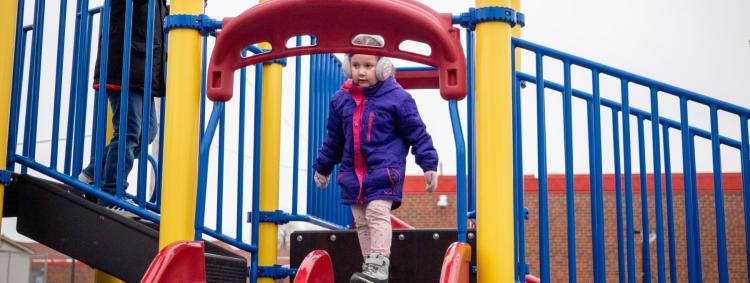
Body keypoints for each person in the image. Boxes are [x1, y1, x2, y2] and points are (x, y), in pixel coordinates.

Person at [312, 34, 439, 283]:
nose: (361, 72)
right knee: (360, 220)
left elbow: (418, 134)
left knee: (376, 213)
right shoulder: (341, 100)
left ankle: (379, 264)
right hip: (352, 175)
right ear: (348, 66)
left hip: (384, 172)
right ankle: (370, 268)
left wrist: (428, 164)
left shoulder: (398, 98)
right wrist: (323, 167)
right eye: (356, 65)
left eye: (368, 66)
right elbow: (333, 140)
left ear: (383, 67)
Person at [78, 0, 168, 205]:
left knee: (148, 132)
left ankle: (91, 174)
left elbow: (161, 24)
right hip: (123, 68)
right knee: (128, 131)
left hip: (143, 74)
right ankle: (112, 193)